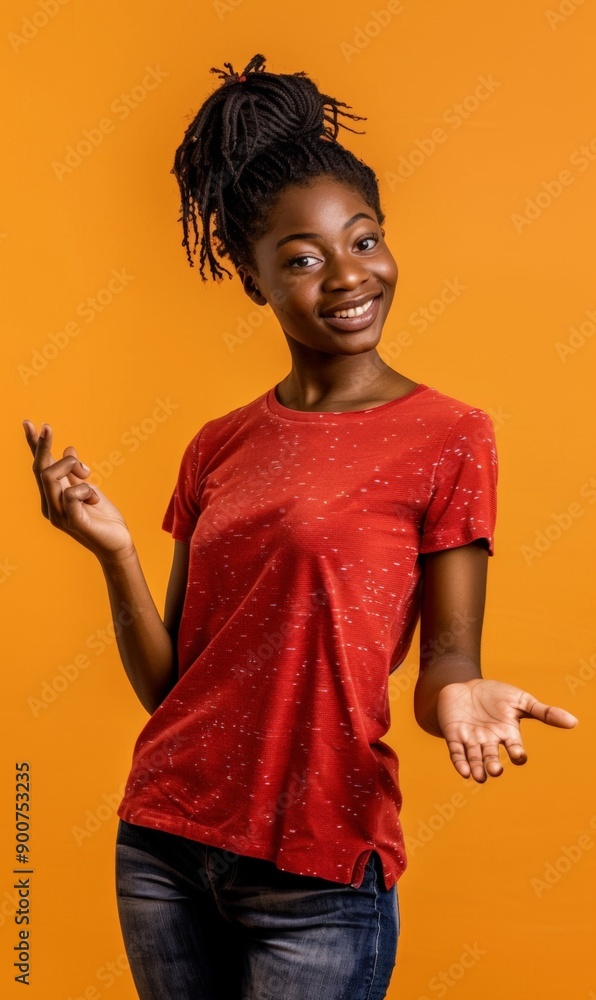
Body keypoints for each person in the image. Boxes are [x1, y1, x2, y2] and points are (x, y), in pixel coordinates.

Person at [22, 53, 578, 1000]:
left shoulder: (450, 437)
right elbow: (171, 686)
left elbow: (445, 656)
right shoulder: (217, 445)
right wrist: (113, 551)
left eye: (364, 241)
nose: (348, 276)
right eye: (305, 259)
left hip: (318, 864)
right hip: (163, 845)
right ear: (254, 280)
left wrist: (459, 699)